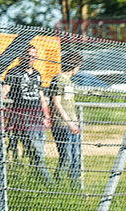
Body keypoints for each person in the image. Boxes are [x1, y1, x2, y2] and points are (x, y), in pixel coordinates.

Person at [2, 45, 53, 184]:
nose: (31, 58)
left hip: (38, 117)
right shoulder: (14, 72)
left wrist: (47, 116)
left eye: (34, 56)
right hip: (24, 117)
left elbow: (41, 97)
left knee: (38, 150)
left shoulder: (37, 74)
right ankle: (48, 183)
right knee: (36, 151)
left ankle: (37, 179)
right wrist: (1, 97)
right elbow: (5, 89)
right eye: (29, 55)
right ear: (22, 56)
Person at [49, 51, 83, 187]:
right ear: (75, 65)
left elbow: (69, 104)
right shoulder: (58, 79)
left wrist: (75, 122)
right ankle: (57, 184)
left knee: (75, 156)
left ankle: (73, 185)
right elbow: (56, 103)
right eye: (78, 65)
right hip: (61, 124)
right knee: (66, 156)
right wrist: (69, 123)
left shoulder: (68, 81)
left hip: (71, 124)